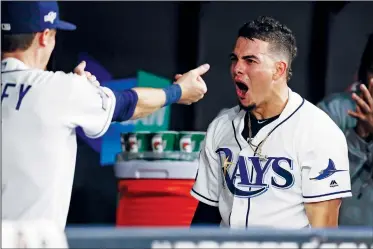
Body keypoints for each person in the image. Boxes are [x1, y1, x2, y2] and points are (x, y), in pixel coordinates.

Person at [1, 1, 210, 229]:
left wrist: (78, 94)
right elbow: (127, 105)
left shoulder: (60, 90)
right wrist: (177, 91)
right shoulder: (59, 88)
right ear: (44, 36)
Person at [189, 16, 352, 229]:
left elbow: (325, 231)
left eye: (250, 61)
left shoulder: (319, 131)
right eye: (234, 59)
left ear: (279, 70)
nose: (237, 68)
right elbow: (207, 214)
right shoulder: (221, 127)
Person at [317, 34, 373, 227]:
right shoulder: (334, 110)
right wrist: (360, 135)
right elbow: (320, 184)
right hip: (339, 239)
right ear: (364, 72)